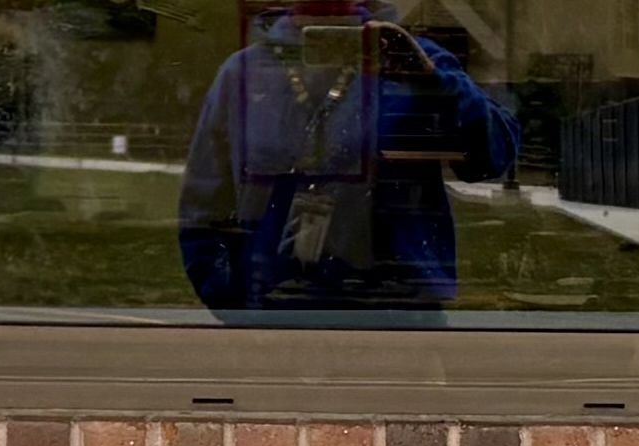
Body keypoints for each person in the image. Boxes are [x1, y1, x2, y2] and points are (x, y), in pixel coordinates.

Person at [178, 0, 516, 318]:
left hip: (400, 317)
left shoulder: (407, 57)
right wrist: (236, 302)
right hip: (274, 312)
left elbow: (492, 156)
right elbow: (203, 209)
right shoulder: (243, 74)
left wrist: (433, 83)